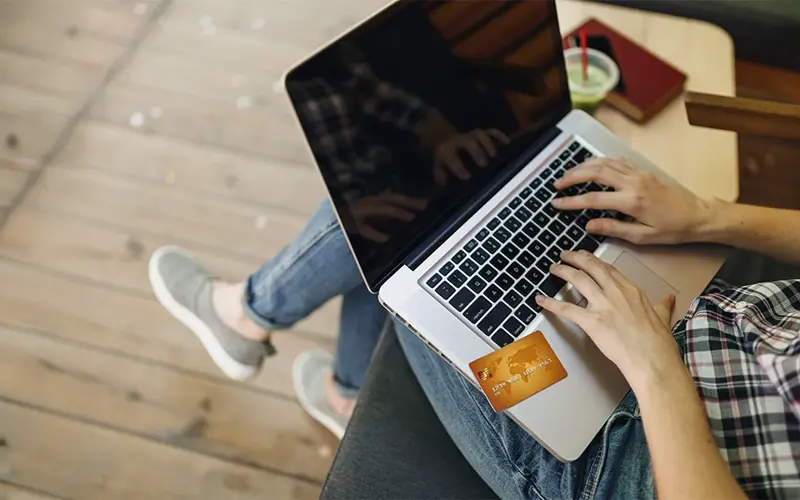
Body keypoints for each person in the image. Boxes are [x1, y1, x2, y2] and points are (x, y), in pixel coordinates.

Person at [147, 42, 507, 439]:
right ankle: (348, 395)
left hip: (509, 404)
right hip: (543, 372)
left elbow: (521, 394)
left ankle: (249, 315)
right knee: (404, 222)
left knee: (385, 230)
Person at [392, 158, 800, 499]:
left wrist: (655, 365)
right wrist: (706, 216)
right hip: (703, 322)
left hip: (636, 451)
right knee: (424, 217)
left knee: (404, 261)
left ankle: (341, 385)